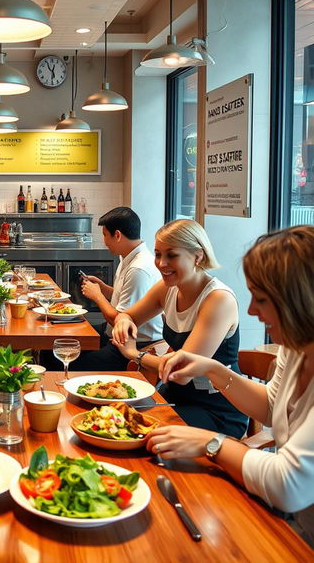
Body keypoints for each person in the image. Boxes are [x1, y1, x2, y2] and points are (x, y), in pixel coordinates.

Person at [146, 226, 314, 546]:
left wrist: (213, 443)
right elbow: (268, 406)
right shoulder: (295, 350)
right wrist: (213, 369)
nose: (250, 310)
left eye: (262, 299)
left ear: (301, 301)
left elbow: (288, 485)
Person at [111, 219, 247, 437]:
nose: (161, 263)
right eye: (157, 254)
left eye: (171, 255)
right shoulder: (167, 288)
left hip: (215, 411)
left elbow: (181, 373)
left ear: (198, 255)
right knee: (112, 417)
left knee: (132, 431)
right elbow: (127, 314)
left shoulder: (218, 300)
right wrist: (125, 320)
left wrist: (134, 354)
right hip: (173, 397)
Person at [77, 207, 163, 370]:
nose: (104, 241)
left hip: (134, 345)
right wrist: (103, 289)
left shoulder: (139, 268)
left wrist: (97, 296)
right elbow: (124, 298)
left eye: (104, 235)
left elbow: (120, 320)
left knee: (60, 357)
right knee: (62, 342)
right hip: (115, 336)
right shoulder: (128, 257)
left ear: (117, 235)